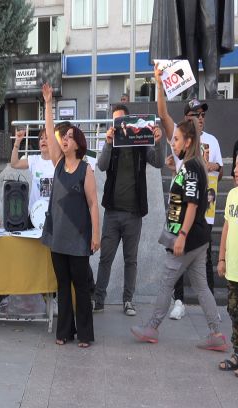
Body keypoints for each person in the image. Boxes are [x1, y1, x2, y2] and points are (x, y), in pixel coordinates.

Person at [131, 119, 227, 350]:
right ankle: (216, 334)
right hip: (196, 238)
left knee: (166, 283)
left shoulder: (193, 166)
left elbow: (192, 204)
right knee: (201, 286)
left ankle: (152, 328)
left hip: (189, 238)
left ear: (188, 141)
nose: (173, 144)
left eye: (176, 139)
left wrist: (182, 235)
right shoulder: (188, 164)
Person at [155, 63, 223, 320]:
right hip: (182, 213)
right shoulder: (181, 138)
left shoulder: (207, 145)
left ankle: (155, 324)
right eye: (196, 115)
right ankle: (186, 307)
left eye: (202, 115)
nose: (201, 118)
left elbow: (210, 178)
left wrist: (212, 166)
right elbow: (163, 114)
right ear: (187, 119)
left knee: (184, 269)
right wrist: (159, 84)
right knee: (181, 270)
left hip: (199, 213)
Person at [40, 83, 100, 348]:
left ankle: (85, 334)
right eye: (62, 138)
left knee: (81, 287)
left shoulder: (86, 170)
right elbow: (50, 132)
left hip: (78, 238)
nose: (63, 140)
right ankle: (65, 331)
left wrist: (95, 235)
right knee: (62, 285)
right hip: (58, 238)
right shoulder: (58, 163)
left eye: (69, 138)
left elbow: (92, 205)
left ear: (78, 144)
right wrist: (48, 103)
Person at [92, 104, 165, 316]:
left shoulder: (140, 141)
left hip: (134, 213)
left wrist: (160, 143)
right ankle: (99, 299)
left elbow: (159, 162)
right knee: (106, 257)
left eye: (121, 120)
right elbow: (102, 165)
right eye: (114, 121)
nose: (118, 125)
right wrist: (107, 143)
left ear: (129, 121)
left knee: (130, 260)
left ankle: (128, 300)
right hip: (113, 212)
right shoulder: (111, 143)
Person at [10, 127, 55, 223]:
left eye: (47, 138)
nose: (43, 140)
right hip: (34, 215)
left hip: (52, 216)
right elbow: (14, 163)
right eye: (41, 138)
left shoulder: (58, 162)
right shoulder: (34, 160)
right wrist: (17, 142)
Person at [217, 164, 238, 370]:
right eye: (236, 165)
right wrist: (221, 258)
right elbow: (226, 227)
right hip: (233, 268)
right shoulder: (232, 194)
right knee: (233, 311)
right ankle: (237, 354)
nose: (236, 170)